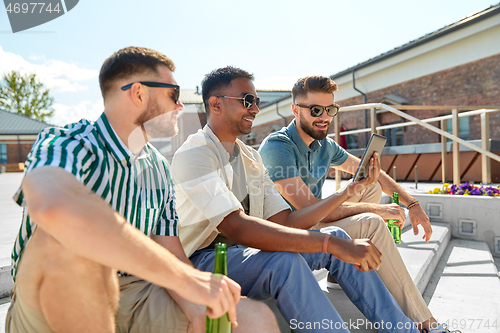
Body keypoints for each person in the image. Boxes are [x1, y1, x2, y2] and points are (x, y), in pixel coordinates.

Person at [5, 47, 280, 333]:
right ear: (138, 93)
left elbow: (171, 250)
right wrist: (185, 280)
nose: (180, 106)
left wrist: (196, 304)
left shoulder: (160, 168)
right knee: (65, 246)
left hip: (138, 293)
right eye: (173, 95)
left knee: (252, 319)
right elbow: (54, 209)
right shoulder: (67, 144)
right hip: (52, 297)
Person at [171, 66, 421, 333]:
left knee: (337, 234)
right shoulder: (195, 154)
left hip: (247, 253)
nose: (255, 109)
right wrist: (327, 243)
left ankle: (402, 329)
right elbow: (236, 227)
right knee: (287, 261)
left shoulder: (251, 158)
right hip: (203, 259)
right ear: (215, 104)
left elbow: (286, 220)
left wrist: (346, 193)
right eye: (247, 101)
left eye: (256, 101)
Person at [258, 75, 454, 333]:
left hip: (316, 221)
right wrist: (379, 209)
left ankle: (337, 272)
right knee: (372, 222)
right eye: (316, 110)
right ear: (296, 110)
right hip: (291, 231)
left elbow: (370, 173)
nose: (324, 117)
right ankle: (425, 323)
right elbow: (310, 209)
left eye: (330, 109)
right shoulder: (278, 147)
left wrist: (412, 203)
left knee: (370, 183)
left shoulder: (324, 145)